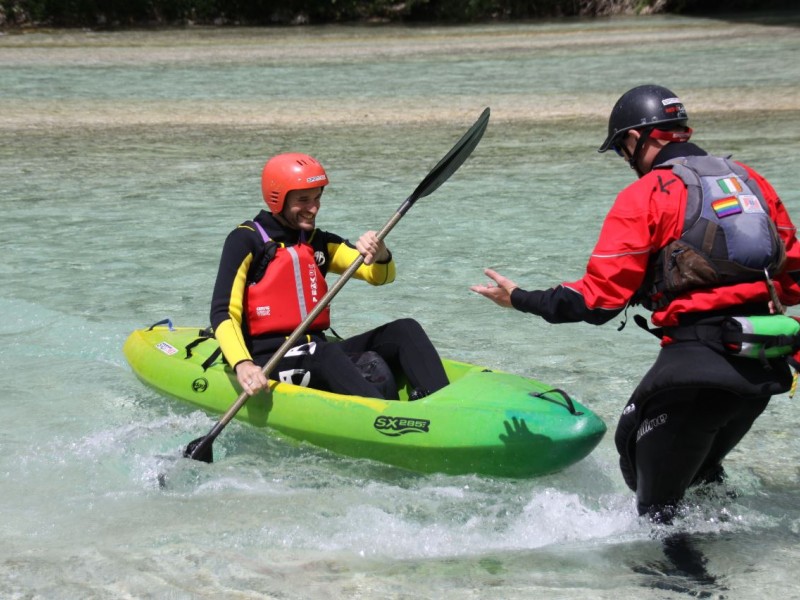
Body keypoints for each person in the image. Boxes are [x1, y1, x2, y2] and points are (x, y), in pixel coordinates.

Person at [470, 84, 800, 523]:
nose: (627, 162)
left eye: (623, 150)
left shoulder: (649, 193)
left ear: (636, 138)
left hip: (696, 370)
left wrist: (522, 299)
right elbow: (791, 276)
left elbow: (598, 301)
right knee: (702, 485)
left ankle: (682, 587)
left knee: (655, 510)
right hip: (761, 368)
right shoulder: (750, 179)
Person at [211, 152, 449, 400]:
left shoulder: (319, 242)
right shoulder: (247, 240)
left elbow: (378, 276)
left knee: (404, 330)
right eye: (303, 200)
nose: (313, 208)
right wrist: (243, 364)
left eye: (317, 198)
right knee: (325, 354)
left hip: (316, 351)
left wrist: (380, 254)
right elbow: (223, 312)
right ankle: (385, 418)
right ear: (277, 199)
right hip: (269, 359)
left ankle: (441, 403)